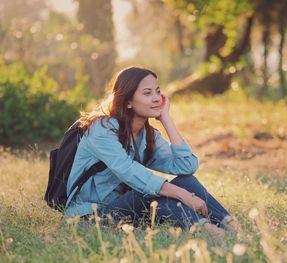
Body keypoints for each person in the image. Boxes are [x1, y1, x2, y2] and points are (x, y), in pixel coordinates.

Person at [65, 66, 238, 239]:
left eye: (158, 92)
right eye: (147, 93)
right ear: (127, 101)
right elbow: (130, 173)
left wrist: (166, 119)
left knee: (186, 181)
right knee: (150, 191)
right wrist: (183, 195)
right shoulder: (101, 130)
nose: (156, 98)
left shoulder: (147, 135)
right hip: (90, 217)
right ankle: (211, 232)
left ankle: (232, 226)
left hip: (128, 209)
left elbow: (186, 167)